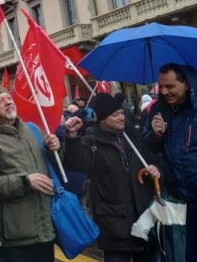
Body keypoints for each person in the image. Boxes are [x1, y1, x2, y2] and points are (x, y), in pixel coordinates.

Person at [64, 93, 159, 262]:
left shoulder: (133, 138)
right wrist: (72, 137)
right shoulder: (92, 143)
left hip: (144, 222)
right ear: (102, 119)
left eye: (121, 113)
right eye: (115, 115)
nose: (121, 117)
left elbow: (153, 162)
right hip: (114, 226)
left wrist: (156, 170)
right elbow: (75, 164)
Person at [0, 86, 60, 262]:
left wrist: (53, 148)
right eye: (0, 101)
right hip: (17, 235)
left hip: (45, 228)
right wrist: (26, 182)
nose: (7, 102)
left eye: (9, 98)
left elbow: (53, 166)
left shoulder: (32, 130)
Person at [144, 63, 197, 262]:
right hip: (175, 200)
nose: (164, 92)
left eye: (170, 86)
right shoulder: (158, 110)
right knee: (182, 253)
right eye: (161, 86)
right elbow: (149, 150)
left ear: (186, 83)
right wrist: (156, 136)